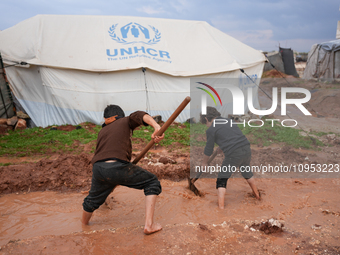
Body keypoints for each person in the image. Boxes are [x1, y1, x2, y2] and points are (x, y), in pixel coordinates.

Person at [82, 105, 164, 235]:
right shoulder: (125, 120)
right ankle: (149, 225)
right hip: (116, 165)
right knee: (152, 182)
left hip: (98, 168)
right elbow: (140, 114)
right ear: (119, 116)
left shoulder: (102, 131)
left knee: (92, 200)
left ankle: (83, 226)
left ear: (106, 119)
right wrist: (156, 127)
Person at [198, 106, 260, 209]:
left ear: (206, 119)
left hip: (234, 153)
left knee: (222, 179)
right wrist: (222, 147)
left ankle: (221, 209)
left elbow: (208, 148)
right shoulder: (228, 120)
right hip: (246, 148)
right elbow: (231, 135)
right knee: (246, 171)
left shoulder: (211, 130)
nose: (206, 126)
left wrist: (204, 163)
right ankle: (257, 196)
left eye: (205, 123)